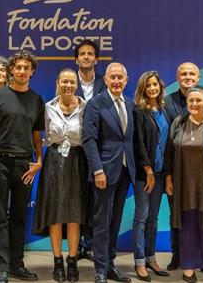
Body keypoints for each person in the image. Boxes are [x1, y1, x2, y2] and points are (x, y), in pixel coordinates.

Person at [0, 50, 44, 283]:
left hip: (24, 165)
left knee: (19, 217)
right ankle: (1, 267)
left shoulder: (37, 100)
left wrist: (39, 160)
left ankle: (17, 264)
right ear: (11, 70)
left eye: (26, 68)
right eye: (18, 67)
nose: (22, 71)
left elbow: (37, 135)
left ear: (32, 72)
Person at [165, 86, 203, 283]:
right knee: (187, 227)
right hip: (184, 185)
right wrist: (168, 178)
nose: (194, 104)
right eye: (191, 100)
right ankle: (189, 266)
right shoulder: (178, 122)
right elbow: (169, 153)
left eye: (198, 100)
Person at [32, 68, 88, 282]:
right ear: (57, 82)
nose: (68, 85)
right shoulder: (47, 107)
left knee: (74, 214)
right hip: (54, 161)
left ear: (77, 84)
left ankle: (72, 261)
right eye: (64, 81)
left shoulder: (85, 107)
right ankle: (57, 261)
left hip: (77, 161)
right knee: (55, 214)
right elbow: (39, 135)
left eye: (72, 82)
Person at [83, 62, 135, 283]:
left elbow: (131, 139)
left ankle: (111, 264)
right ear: (105, 80)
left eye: (119, 78)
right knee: (102, 223)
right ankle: (100, 270)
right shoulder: (96, 104)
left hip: (125, 171)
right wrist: (97, 170)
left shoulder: (131, 105)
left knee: (115, 221)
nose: (115, 81)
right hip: (104, 171)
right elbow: (89, 140)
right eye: (112, 77)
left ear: (126, 80)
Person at [132, 71, 170, 281]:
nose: (152, 88)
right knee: (141, 218)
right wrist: (148, 171)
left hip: (161, 172)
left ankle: (151, 257)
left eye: (155, 84)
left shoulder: (163, 110)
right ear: (143, 89)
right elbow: (138, 143)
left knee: (153, 219)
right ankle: (139, 262)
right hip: (144, 174)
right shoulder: (139, 111)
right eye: (148, 86)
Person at [74, 39, 107, 263]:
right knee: (77, 199)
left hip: (98, 149)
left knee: (97, 200)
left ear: (96, 58)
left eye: (90, 53)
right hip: (75, 150)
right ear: (76, 59)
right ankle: (76, 248)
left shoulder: (105, 83)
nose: (86, 57)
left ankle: (93, 245)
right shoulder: (67, 81)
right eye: (82, 54)